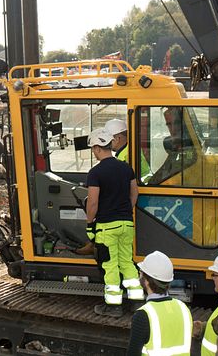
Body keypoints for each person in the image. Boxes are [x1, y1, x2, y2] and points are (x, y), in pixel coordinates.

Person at [86, 128, 144, 317]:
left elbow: (93, 202)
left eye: (93, 149)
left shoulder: (96, 172)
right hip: (127, 224)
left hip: (106, 227)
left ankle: (113, 306)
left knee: (110, 265)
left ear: (97, 147)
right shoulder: (126, 168)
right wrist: (127, 210)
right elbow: (134, 193)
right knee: (127, 262)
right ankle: (136, 302)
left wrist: (89, 224)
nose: (94, 153)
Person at [127, 251, 192, 356]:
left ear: (146, 281)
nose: (139, 275)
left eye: (141, 273)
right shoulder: (183, 308)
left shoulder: (143, 315)